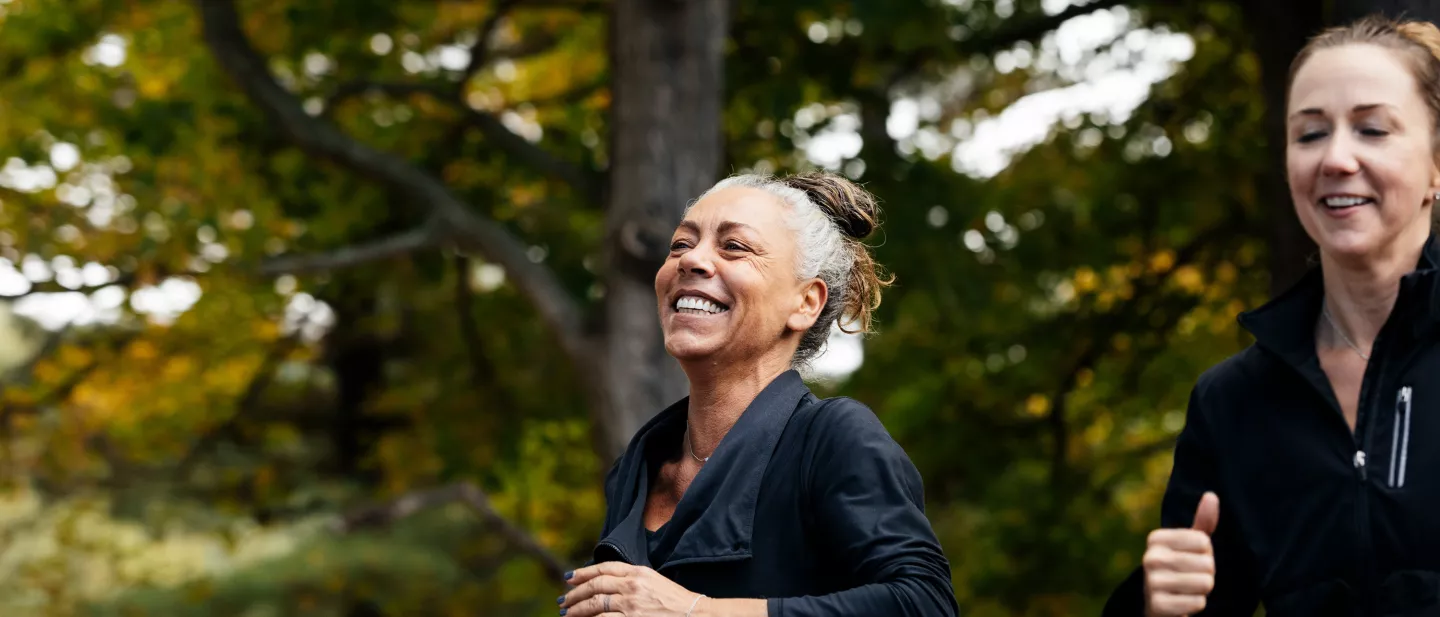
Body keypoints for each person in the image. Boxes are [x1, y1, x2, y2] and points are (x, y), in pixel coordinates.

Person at [1104, 15, 1440, 617]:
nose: (1336, 159)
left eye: (1371, 129)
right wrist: (1156, 604)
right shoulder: (1233, 401)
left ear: (1437, 164)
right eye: (1309, 135)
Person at [557, 172, 958, 617]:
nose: (691, 260)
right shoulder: (637, 468)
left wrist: (694, 611)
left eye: (734, 247)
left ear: (805, 303)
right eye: (680, 245)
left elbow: (925, 604)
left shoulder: (832, 438)